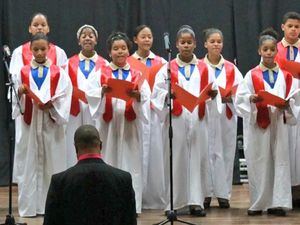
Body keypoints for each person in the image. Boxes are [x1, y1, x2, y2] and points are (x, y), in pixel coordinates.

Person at [151, 25, 217, 217]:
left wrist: (213, 94)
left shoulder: (204, 67)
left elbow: (214, 91)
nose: (186, 46)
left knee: (198, 159)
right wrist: (167, 94)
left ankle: (196, 202)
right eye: (183, 42)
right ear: (177, 44)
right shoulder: (168, 67)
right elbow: (157, 92)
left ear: (195, 44)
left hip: (198, 119)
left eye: (189, 42)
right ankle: (174, 202)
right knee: (175, 160)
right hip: (176, 120)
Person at [235, 28, 300, 216]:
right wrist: (251, 99)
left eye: (273, 49)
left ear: (276, 51)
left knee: (279, 162)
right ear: (259, 51)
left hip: (279, 123)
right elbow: (241, 99)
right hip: (259, 125)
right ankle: (258, 203)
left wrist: (288, 104)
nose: (269, 53)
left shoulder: (286, 76)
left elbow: (293, 100)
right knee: (259, 161)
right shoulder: (251, 75)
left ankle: (278, 203)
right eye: (266, 49)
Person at [86, 31, 151, 213]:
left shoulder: (137, 74)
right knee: (109, 161)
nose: (120, 52)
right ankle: (108, 205)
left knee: (131, 164)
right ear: (109, 52)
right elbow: (89, 93)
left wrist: (138, 96)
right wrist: (102, 91)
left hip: (130, 125)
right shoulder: (99, 73)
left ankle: (131, 206)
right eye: (116, 49)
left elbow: (146, 96)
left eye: (123, 48)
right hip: (109, 125)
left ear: (128, 51)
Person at [12, 33, 72, 217]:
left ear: (49, 50)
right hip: (30, 125)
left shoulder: (58, 72)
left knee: (52, 163)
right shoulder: (22, 72)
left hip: (50, 122)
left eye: (43, 49)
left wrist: (52, 104)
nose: (39, 52)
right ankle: (30, 207)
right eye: (35, 49)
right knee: (29, 164)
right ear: (30, 50)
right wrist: (19, 92)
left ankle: (51, 207)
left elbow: (65, 94)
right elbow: (13, 99)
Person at [9, 12, 68, 186]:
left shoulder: (59, 52)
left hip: (51, 112)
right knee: (28, 154)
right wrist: (21, 92)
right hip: (29, 111)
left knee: (52, 152)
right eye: (36, 24)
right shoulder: (19, 52)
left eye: (43, 24)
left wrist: (53, 102)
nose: (39, 27)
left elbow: (65, 84)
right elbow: (15, 80)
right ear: (29, 28)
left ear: (48, 28)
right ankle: (28, 193)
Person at [43, 124, 137, 225]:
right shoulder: (123, 179)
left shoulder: (59, 182)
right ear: (100, 145)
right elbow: (130, 221)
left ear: (75, 148)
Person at [200, 28, 243, 209]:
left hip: (226, 115)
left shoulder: (231, 69)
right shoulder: (199, 66)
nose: (216, 44)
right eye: (212, 41)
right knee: (206, 152)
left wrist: (230, 98)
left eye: (219, 41)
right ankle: (206, 193)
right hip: (207, 115)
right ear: (205, 44)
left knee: (225, 152)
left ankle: (223, 193)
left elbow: (241, 93)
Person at [130, 25, 167, 209]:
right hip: (136, 110)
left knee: (155, 151)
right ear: (135, 39)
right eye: (143, 37)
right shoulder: (128, 61)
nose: (147, 40)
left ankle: (154, 197)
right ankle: (136, 195)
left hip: (155, 110)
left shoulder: (160, 61)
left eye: (149, 37)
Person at [64, 24, 108, 167]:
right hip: (75, 111)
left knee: (97, 139)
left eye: (91, 36)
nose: (87, 38)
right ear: (78, 41)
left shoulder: (104, 64)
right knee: (73, 142)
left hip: (96, 110)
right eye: (84, 36)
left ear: (96, 40)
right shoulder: (68, 63)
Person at [275, 11, 300, 205]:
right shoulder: (273, 49)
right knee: (285, 146)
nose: (293, 29)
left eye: (297, 27)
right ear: (283, 27)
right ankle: (286, 191)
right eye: (290, 26)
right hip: (284, 102)